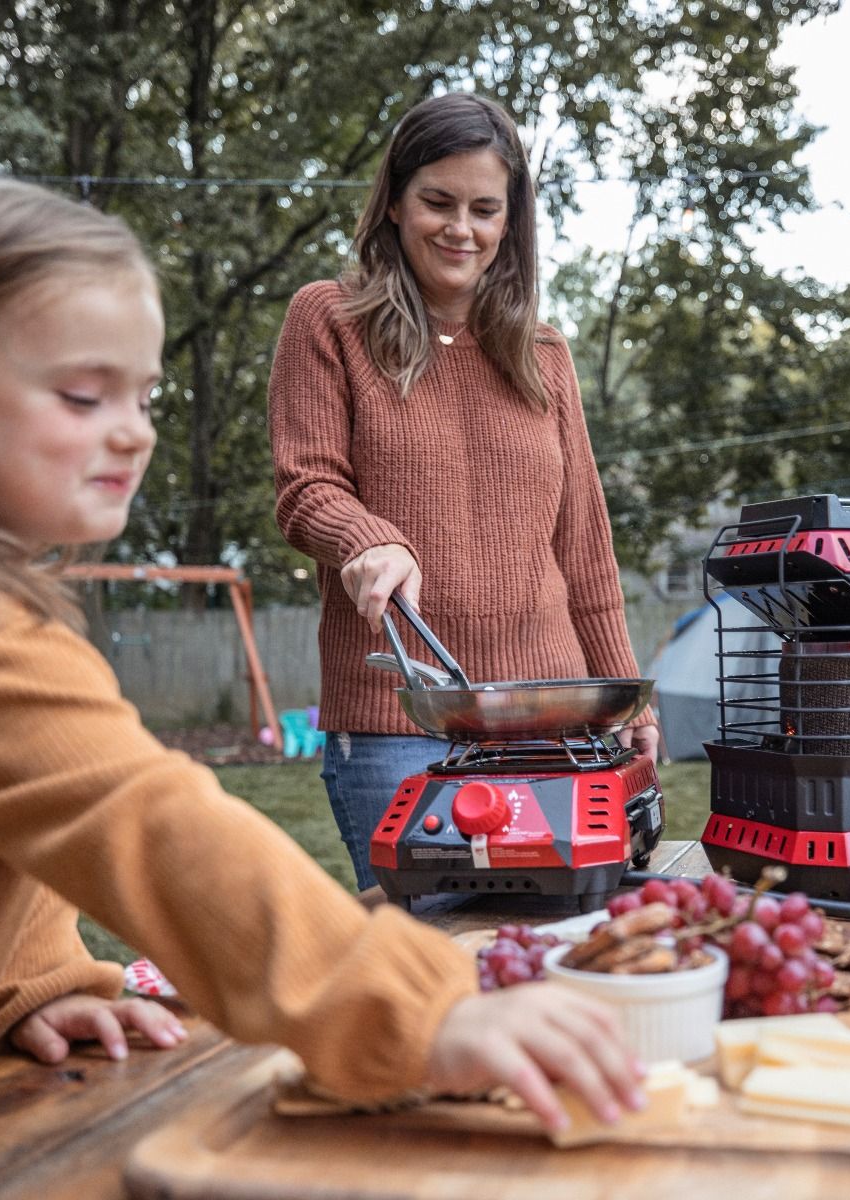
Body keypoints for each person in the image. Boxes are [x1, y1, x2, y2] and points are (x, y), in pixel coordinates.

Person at [0, 169, 647, 1135]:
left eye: (145, 395)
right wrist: (425, 1008)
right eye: (84, 396)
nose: (133, 433)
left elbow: (15, 816)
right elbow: (144, 823)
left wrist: (33, 987)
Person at [269, 93, 660, 891]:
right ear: (395, 204)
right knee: (437, 973)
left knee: (561, 956)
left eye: (485, 209)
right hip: (399, 725)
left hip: (555, 725)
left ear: (511, 223)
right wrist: (365, 537)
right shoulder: (329, 319)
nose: (462, 229)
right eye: (437, 202)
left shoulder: (544, 355)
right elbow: (305, 484)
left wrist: (630, 709)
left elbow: (584, 550)